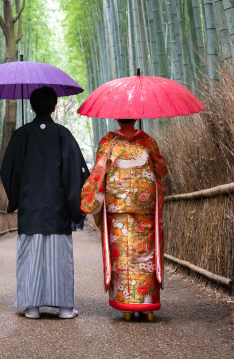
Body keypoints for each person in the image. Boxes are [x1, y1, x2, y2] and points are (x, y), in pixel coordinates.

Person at [0, 86, 89, 319]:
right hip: (57, 208)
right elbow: (76, 172)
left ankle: (31, 307)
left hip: (30, 208)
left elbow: (7, 170)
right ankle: (65, 308)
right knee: (59, 258)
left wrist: (16, 197)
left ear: (31, 106)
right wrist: (74, 207)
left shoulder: (20, 135)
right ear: (54, 106)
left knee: (30, 256)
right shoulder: (63, 134)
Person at [80, 118, 167, 322]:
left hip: (117, 206)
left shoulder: (108, 141)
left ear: (117, 120)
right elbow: (161, 168)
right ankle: (147, 305)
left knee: (122, 256)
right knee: (146, 253)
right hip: (145, 207)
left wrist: (89, 195)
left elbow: (100, 172)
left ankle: (126, 305)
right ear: (136, 119)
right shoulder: (148, 141)